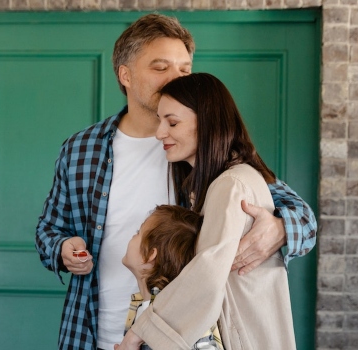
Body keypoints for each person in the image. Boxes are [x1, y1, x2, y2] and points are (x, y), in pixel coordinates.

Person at [34, 13, 316, 350]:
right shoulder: (81, 149)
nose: (175, 79)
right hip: (92, 331)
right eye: (160, 67)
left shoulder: (202, 147)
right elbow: (49, 229)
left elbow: (301, 216)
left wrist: (279, 228)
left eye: (184, 69)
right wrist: (62, 249)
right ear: (125, 75)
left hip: (179, 338)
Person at [118, 72, 298, 349]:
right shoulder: (221, 182)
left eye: (173, 122)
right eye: (160, 121)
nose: (159, 133)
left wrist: (139, 332)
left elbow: (208, 272)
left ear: (208, 123)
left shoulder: (231, 184)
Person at [122, 205, 222, 350]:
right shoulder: (141, 306)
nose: (133, 235)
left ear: (150, 255)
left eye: (138, 232)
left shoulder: (183, 314)